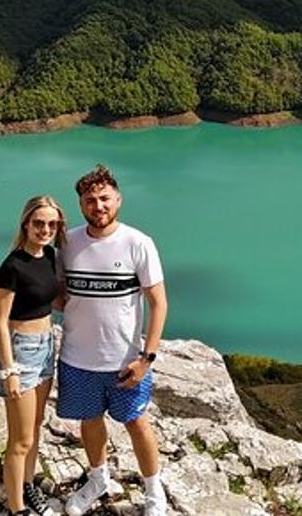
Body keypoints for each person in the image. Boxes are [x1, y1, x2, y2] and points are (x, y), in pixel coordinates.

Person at [57, 165, 169, 516]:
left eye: (105, 198)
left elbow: (158, 302)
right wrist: (13, 298)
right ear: (81, 205)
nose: (98, 206)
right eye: (90, 200)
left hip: (124, 360)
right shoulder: (68, 242)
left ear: (118, 200)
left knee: (136, 422)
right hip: (77, 357)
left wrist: (146, 357)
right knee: (89, 421)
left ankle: (154, 492)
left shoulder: (138, 243)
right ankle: (98, 479)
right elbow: (59, 296)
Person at [0, 195, 67, 516]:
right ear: (25, 224)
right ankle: (16, 509)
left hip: (47, 346)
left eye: (52, 224)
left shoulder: (50, 256)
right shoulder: (12, 265)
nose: (46, 229)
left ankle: (27, 486)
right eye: (39, 223)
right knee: (20, 440)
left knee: (35, 428)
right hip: (21, 351)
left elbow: (54, 300)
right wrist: (9, 370)